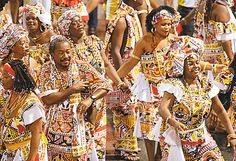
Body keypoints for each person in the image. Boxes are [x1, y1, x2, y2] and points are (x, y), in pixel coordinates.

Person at [117, 6, 222, 161]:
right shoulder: (145, 41)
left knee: (163, 129)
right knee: (147, 128)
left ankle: (161, 157)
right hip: (149, 90)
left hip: (168, 90)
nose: (167, 27)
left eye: (169, 24)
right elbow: (130, 63)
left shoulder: (175, 40)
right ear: (154, 24)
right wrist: (115, 79)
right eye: (163, 24)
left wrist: (212, 67)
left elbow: (189, 61)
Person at [57, 9, 127, 160]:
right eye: (73, 23)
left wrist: (119, 82)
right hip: (81, 99)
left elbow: (107, 65)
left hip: (100, 96)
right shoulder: (67, 50)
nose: (79, 24)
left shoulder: (94, 41)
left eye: (79, 21)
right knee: (84, 137)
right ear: (66, 29)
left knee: (99, 137)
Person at [35, 35, 111, 161]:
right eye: (61, 53)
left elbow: (105, 85)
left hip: (78, 127)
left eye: (68, 52)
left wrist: (90, 99)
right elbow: (47, 99)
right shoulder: (45, 70)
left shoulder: (81, 66)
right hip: (52, 129)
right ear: (52, 54)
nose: (66, 56)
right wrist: (72, 90)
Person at [158, 37, 236, 160]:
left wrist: (232, 135)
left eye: (197, 62)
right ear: (180, 66)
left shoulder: (205, 84)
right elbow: (162, 108)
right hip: (178, 139)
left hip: (201, 137)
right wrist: (173, 122)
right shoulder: (175, 85)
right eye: (190, 64)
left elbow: (220, 110)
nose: (196, 66)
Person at [104, 0, 144, 160]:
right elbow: (115, 50)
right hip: (123, 71)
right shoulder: (121, 19)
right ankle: (126, 150)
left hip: (131, 70)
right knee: (125, 110)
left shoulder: (131, 15)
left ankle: (125, 147)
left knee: (128, 110)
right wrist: (122, 77)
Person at [0, 59, 47, 161]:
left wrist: (31, 159)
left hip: (27, 152)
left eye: (5, 77)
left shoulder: (31, 103)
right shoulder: (10, 95)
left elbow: (37, 133)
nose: (1, 79)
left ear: (16, 79)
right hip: (11, 151)